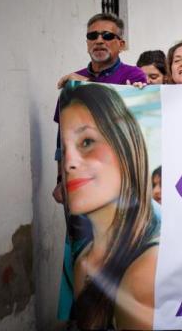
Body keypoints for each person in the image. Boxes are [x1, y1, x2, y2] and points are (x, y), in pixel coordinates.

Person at [59, 83, 159, 329]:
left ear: (126, 146)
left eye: (87, 142)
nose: (69, 163)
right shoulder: (81, 257)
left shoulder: (146, 268)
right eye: (64, 149)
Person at [57, 13, 147, 89]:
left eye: (107, 36)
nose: (99, 41)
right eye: (92, 36)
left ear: (121, 45)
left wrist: (85, 84)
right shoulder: (74, 79)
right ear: (87, 43)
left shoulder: (133, 76)